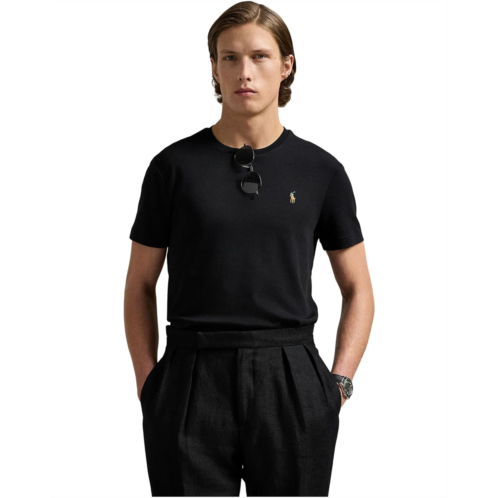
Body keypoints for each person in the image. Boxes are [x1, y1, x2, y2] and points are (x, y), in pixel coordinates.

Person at [124, 1, 375, 496]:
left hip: (291, 373)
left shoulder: (321, 171)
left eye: (260, 56)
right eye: (230, 57)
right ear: (214, 68)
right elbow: (139, 284)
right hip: (191, 372)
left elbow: (359, 288)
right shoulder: (172, 168)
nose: (244, 72)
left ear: (286, 66)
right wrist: (150, 383)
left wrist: (337, 385)